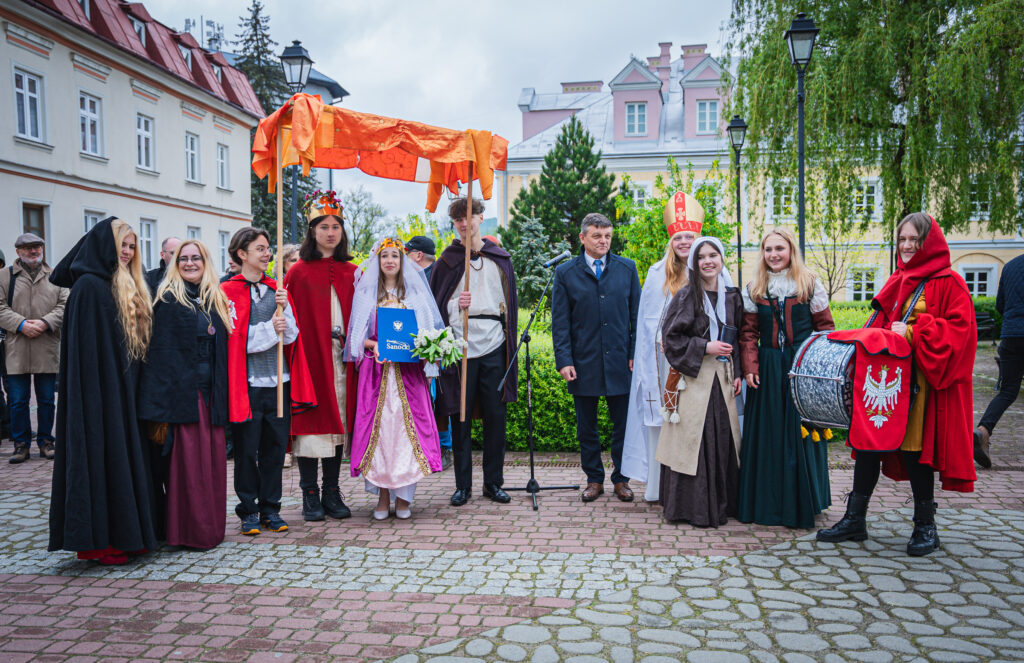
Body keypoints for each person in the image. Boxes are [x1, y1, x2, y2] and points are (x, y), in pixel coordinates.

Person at [818, 213, 977, 556]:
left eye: (914, 240)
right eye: (902, 239)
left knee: (914, 449)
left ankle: (925, 526)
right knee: (869, 443)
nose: (906, 246)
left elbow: (961, 334)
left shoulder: (949, 282)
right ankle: (855, 519)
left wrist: (915, 332)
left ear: (928, 243)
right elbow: (880, 322)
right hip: (885, 376)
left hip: (921, 381)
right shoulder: (899, 278)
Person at [48, 217, 157, 565]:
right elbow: (86, 355)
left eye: (132, 246)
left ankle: (127, 534)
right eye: (122, 244)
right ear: (103, 244)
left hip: (121, 393)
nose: (127, 252)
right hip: (98, 396)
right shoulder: (89, 288)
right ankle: (100, 541)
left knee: (123, 456)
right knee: (102, 457)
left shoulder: (122, 283)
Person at [737, 227, 834, 529]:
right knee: (769, 434)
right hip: (767, 370)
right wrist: (750, 366)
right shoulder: (755, 287)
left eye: (779, 248)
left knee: (800, 433)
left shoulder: (809, 284)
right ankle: (767, 503)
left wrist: (816, 371)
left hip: (801, 368)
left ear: (791, 250)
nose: (774, 255)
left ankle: (803, 502)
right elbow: (748, 333)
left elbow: (825, 331)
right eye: (768, 249)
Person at [222, 227, 316, 536]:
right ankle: (248, 509)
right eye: (260, 249)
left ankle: (271, 509)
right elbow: (236, 339)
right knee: (247, 450)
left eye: (268, 248)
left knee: (275, 450)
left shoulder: (277, 289)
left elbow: (291, 336)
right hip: (248, 383)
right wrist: (269, 328)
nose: (267, 254)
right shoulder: (227, 291)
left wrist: (285, 314)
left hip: (278, 382)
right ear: (242, 254)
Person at [138, 240, 231, 549]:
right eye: (183, 259)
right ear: (175, 264)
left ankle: (211, 529)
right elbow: (161, 356)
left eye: (196, 258)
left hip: (210, 396)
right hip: (184, 399)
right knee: (188, 468)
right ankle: (189, 533)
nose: (190, 263)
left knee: (211, 465)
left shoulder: (214, 298)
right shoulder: (167, 300)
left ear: (206, 262)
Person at [430, 197, 518, 507]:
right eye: (458, 220)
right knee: (461, 416)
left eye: (469, 216)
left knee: (495, 416)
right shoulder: (448, 261)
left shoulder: (499, 258)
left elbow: (508, 304)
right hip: (460, 345)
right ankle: (462, 485)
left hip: (493, 341)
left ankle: (493, 483)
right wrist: (456, 305)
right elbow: (435, 306)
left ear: (481, 218)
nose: (464, 223)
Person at [347, 238, 444, 519]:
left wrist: (425, 351)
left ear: (403, 261)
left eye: (395, 256)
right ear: (377, 261)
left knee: (403, 435)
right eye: (384, 256)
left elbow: (429, 335)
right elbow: (355, 340)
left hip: (408, 376)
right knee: (381, 435)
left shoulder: (414, 295)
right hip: (377, 376)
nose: (389, 260)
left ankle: (403, 498)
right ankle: (382, 497)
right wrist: (374, 344)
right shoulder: (367, 295)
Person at [552, 213, 641, 502]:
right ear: (582, 238)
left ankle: (621, 479)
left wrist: (634, 354)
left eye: (607, 236)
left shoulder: (627, 269)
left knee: (623, 426)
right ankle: (594, 479)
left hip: (621, 362)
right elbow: (560, 322)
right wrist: (564, 360)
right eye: (597, 236)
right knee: (586, 427)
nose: (603, 241)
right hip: (583, 362)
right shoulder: (565, 273)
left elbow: (637, 318)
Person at [622, 192, 701, 502]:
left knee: (692, 420)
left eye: (689, 236)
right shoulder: (657, 273)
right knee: (662, 419)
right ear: (671, 241)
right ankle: (658, 486)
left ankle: (690, 488)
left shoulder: (708, 266)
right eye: (678, 237)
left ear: (698, 238)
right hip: (662, 362)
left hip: (696, 359)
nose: (684, 242)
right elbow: (647, 322)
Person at [658, 236, 742, 526]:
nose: (707, 261)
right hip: (695, 382)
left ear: (721, 259)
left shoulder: (732, 296)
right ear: (694, 263)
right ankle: (692, 509)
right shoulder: (686, 296)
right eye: (701, 257)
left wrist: (738, 372)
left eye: (713, 255)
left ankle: (723, 505)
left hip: (724, 380)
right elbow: (670, 339)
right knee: (695, 441)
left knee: (723, 438)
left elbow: (740, 337)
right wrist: (706, 346)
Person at [283, 194, 357, 521]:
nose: (330, 232)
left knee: (337, 423)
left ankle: (331, 491)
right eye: (324, 226)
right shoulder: (298, 273)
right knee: (312, 425)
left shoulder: (352, 272)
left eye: (335, 227)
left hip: (342, 359)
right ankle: (309, 493)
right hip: (311, 359)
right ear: (312, 231)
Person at [0, 233, 68, 463]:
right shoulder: (4, 276)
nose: (33, 251)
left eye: (37, 247)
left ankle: (46, 441)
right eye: (28, 248)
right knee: (18, 400)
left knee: (47, 398)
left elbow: (64, 304)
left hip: (46, 343)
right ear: (18, 251)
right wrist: (21, 324)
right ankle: (21, 444)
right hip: (17, 345)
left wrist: (44, 323)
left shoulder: (56, 275)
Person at [974, 252, 1024, 468]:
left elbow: (1000, 304)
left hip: (1011, 336)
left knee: (1008, 391)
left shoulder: (1010, 266)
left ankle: (983, 431)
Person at [406, 235, 452, 469]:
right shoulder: (417, 277)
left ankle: (443, 447)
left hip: (435, 345)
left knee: (439, 398)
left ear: (417, 255)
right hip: (423, 345)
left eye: (407, 254)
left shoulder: (433, 276)